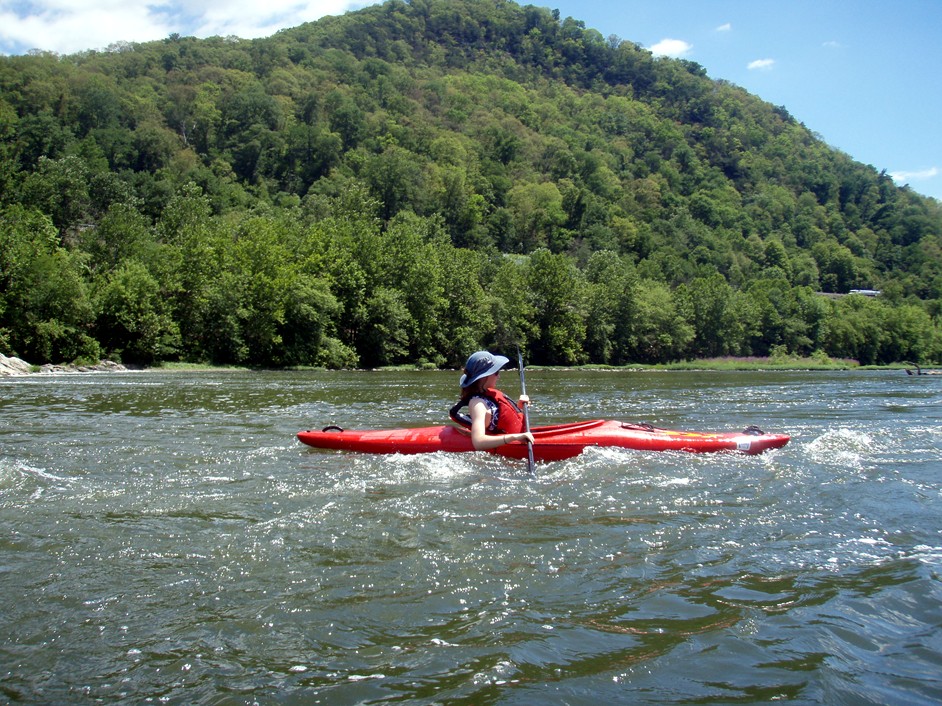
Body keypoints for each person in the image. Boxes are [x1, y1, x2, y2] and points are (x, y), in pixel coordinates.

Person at [449, 351, 535, 451]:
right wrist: (515, 437)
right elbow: (478, 442)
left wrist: (519, 407)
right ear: (484, 376)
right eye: (496, 372)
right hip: (514, 441)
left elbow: (500, 419)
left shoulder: (487, 395)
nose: (498, 376)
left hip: (520, 435)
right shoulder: (478, 404)